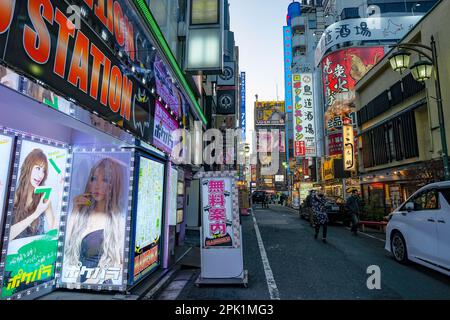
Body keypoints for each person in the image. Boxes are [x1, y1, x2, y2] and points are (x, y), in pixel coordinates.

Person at [64, 157, 125, 285]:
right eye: (94, 178)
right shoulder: (82, 213)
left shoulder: (117, 219)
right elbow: (65, 244)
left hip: (100, 287)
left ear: (113, 185)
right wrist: (75, 209)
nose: (97, 185)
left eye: (105, 180)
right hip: (78, 285)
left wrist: (91, 281)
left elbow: (120, 262)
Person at [10, 149, 56, 240]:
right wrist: (36, 214)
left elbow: (55, 232)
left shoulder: (44, 198)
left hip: (38, 252)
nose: (40, 175)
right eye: (38, 168)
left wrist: (62, 193)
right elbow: (6, 236)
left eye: (43, 171)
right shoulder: (14, 197)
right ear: (28, 167)